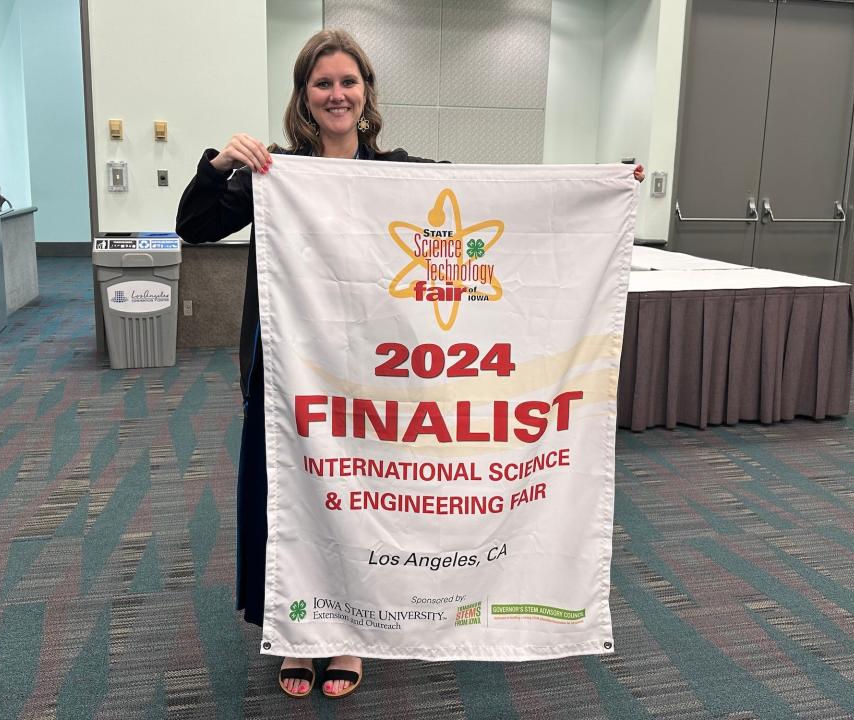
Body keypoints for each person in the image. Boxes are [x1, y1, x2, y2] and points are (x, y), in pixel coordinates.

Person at [177, 28, 645, 700]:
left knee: (361, 500)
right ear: (303, 98)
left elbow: (502, 207)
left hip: (382, 382)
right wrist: (221, 163)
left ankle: (346, 638)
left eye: (348, 82)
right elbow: (194, 225)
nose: (336, 94)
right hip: (293, 380)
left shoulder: (405, 172)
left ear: (366, 93)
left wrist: (605, 189)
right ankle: (294, 634)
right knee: (294, 500)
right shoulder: (276, 176)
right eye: (322, 83)